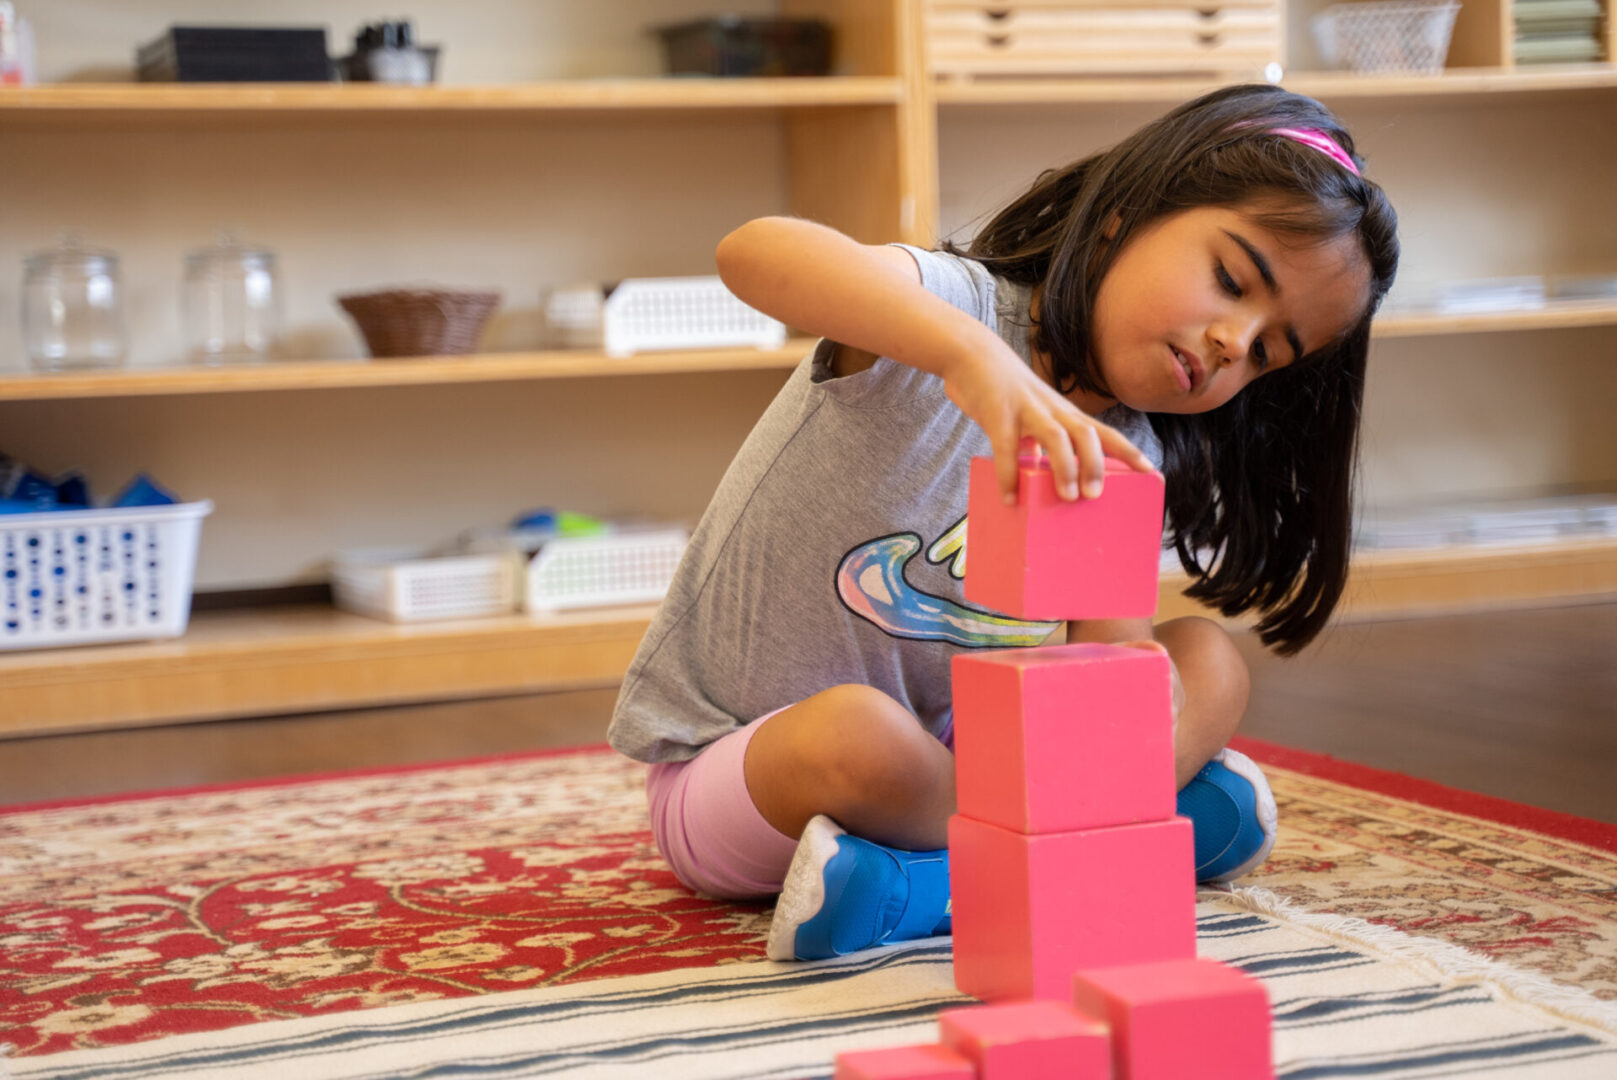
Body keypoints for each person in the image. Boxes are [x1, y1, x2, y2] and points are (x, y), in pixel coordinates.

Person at [607, 83, 1400, 962]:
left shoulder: (1130, 447)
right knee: (857, 731)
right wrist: (969, 357)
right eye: (1231, 280)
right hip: (752, 775)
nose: (1232, 341)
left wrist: (1137, 691)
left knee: (1207, 664)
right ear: (1123, 218)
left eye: (1266, 351)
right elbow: (754, 251)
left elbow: (1095, 661)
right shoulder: (950, 312)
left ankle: (933, 878)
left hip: (967, 765)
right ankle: (1090, 845)